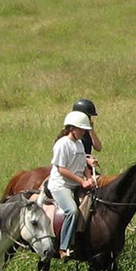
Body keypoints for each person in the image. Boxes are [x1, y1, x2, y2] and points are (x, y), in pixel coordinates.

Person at [49, 110, 97, 260]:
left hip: (76, 184)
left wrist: (90, 178)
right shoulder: (62, 144)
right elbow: (61, 169)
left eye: (84, 129)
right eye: (81, 129)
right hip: (61, 185)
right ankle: (64, 247)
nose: (84, 132)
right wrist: (82, 181)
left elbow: (83, 166)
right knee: (72, 211)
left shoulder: (79, 144)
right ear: (71, 129)